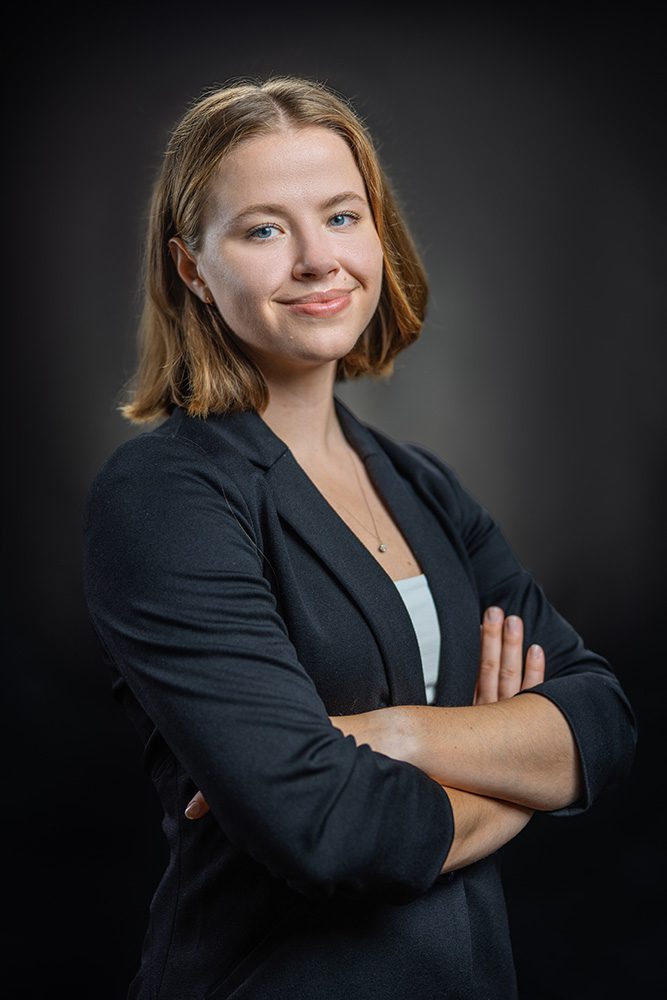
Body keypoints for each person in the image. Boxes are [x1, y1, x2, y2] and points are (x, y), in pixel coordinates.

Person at [82, 75, 637, 1000]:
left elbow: (603, 722)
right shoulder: (163, 496)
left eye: (341, 216)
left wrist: (394, 736)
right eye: (263, 229)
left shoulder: (419, 482)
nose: (316, 260)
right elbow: (327, 830)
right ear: (192, 270)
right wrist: (516, 765)